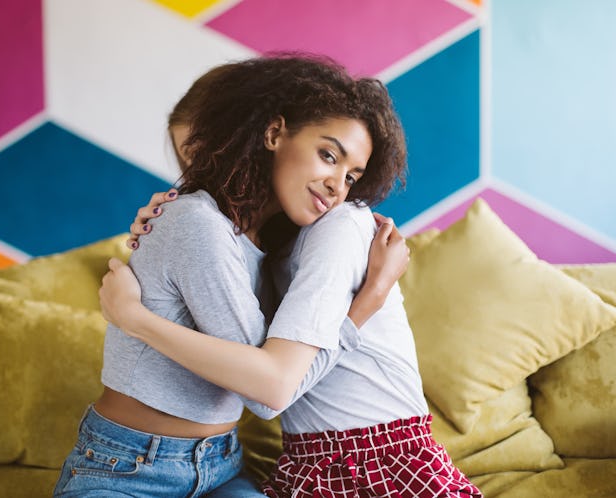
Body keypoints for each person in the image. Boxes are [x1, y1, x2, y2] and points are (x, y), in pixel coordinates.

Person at [110, 67, 483, 497]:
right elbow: (271, 380)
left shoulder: (332, 226)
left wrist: (134, 318)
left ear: (259, 134)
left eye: (350, 175)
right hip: (302, 462)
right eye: (190, 162)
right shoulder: (251, 239)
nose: (205, 171)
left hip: (376, 459)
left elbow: (274, 388)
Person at [53, 54, 411, 497]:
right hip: (126, 469)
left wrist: (136, 320)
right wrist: (367, 301)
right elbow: (268, 392)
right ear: (273, 133)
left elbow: (274, 377)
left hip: (221, 467)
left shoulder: (274, 247)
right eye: (328, 155)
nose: (339, 185)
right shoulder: (196, 224)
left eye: (352, 176)